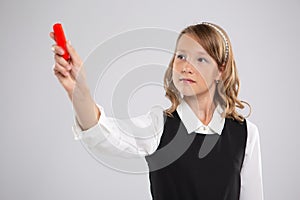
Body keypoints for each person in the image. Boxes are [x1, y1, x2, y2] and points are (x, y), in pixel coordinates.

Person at [50, 22, 264, 200]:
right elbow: (105, 135)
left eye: (201, 59)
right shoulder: (159, 126)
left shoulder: (246, 133)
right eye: (181, 56)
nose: (186, 67)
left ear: (221, 70)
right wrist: (80, 92)